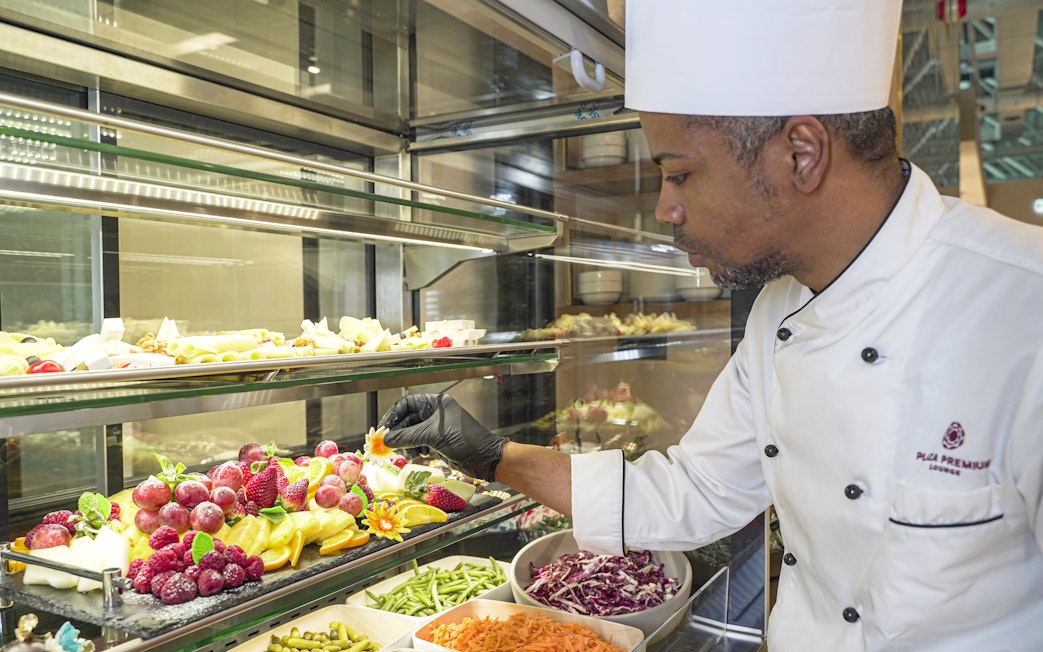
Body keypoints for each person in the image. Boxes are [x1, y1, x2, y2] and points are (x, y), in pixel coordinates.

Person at [380, 1, 1043, 649]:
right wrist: (495, 457)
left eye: (678, 174)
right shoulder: (779, 311)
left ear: (801, 154)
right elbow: (696, 492)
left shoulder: (1022, 305)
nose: (665, 210)